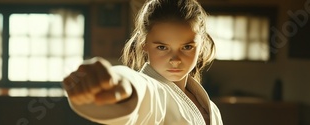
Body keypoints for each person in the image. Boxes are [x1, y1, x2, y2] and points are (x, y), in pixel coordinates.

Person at [62, 0, 223, 124]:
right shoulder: (154, 92)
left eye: (187, 47)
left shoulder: (211, 108)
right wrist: (120, 84)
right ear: (143, 44)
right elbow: (144, 90)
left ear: (201, 45)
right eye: (162, 47)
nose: (175, 60)